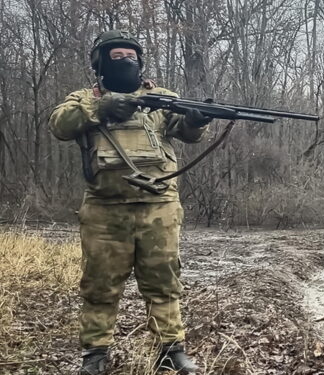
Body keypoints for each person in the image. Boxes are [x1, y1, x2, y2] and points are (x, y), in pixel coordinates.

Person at [48, 30, 211, 375]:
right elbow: (60, 125)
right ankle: (95, 354)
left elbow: (187, 131)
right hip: (104, 210)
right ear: (100, 64)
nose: (126, 62)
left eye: (131, 57)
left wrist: (197, 119)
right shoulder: (83, 98)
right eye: (116, 57)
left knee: (164, 282)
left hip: (159, 207)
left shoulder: (160, 98)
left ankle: (171, 349)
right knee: (99, 284)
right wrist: (100, 107)